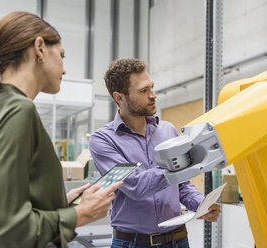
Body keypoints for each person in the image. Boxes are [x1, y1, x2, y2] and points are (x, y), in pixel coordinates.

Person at [0, 11, 123, 248]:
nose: (64, 69)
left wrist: (58, 205)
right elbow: (3, 226)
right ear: (39, 48)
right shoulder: (18, 111)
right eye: (62, 56)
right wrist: (80, 214)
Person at [89, 58, 221, 248]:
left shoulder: (168, 130)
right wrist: (179, 163)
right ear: (119, 97)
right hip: (133, 243)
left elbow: (181, 184)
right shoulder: (103, 140)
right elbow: (136, 185)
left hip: (178, 240)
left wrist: (201, 205)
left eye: (152, 87)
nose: (153, 95)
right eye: (144, 91)